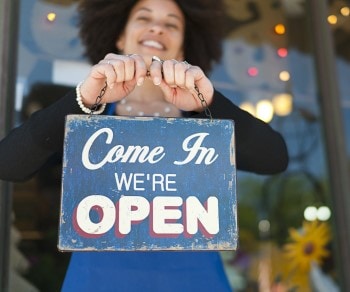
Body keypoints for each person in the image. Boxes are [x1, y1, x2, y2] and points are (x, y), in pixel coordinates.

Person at [0, 0, 289, 290]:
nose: (157, 28)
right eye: (143, 17)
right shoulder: (87, 114)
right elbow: (9, 163)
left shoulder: (203, 119)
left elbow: (273, 158)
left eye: (171, 24)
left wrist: (209, 103)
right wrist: (84, 100)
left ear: (183, 47)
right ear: (120, 37)